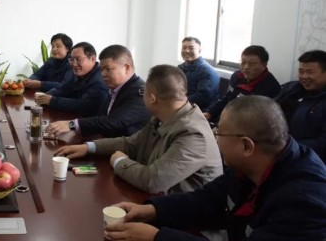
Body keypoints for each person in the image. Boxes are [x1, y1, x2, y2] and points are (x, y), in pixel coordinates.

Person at [104, 96, 326, 241]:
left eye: (219, 133)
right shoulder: (253, 165)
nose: (215, 138)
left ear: (246, 146)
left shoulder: (306, 202)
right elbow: (205, 201)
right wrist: (151, 211)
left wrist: (157, 240)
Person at [55, 65, 221, 194]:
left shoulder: (193, 134)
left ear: (152, 98)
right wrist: (89, 147)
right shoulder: (162, 117)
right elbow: (131, 143)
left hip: (189, 221)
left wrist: (119, 161)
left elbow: (153, 181)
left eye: (143, 91)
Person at [46, 45, 148, 139]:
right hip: (106, 142)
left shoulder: (139, 94)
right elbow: (100, 117)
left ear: (127, 68)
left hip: (125, 150)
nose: (103, 74)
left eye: (108, 69)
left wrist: (72, 125)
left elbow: (112, 121)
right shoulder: (116, 87)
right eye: (102, 69)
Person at [204, 45, 280, 123]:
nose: (246, 67)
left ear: (264, 64)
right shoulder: (236, 76)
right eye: (243, 62)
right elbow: (227, 98)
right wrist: (211, 112)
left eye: (252, 63)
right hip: (227, 117)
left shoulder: (271, 87)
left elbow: (262, 119)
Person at [276, 49, 326, 161]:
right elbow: (268, 109)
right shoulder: (291, 88)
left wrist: (286, 147)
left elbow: (323, 143)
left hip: (307, 159)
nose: (304, 76)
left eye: (310, 72)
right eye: (301, 71)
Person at [35, 42, 108, 118]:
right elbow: (63, 89)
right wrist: (47, 95)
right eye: (71, 59)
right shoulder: (80, 74)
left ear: (92, 59)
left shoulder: (100, 80)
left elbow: (85, 106)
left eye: (78, 59)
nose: (74, 64)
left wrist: (52, 101)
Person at [177, 37, 219, 110]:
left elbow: (203, 97)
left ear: (199, 50)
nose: (186, 51)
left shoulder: (207, 71)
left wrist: (178, 102)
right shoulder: (181, 67)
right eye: (184, 48)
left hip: (196, 109)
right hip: (180, 104)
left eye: (191, 48)